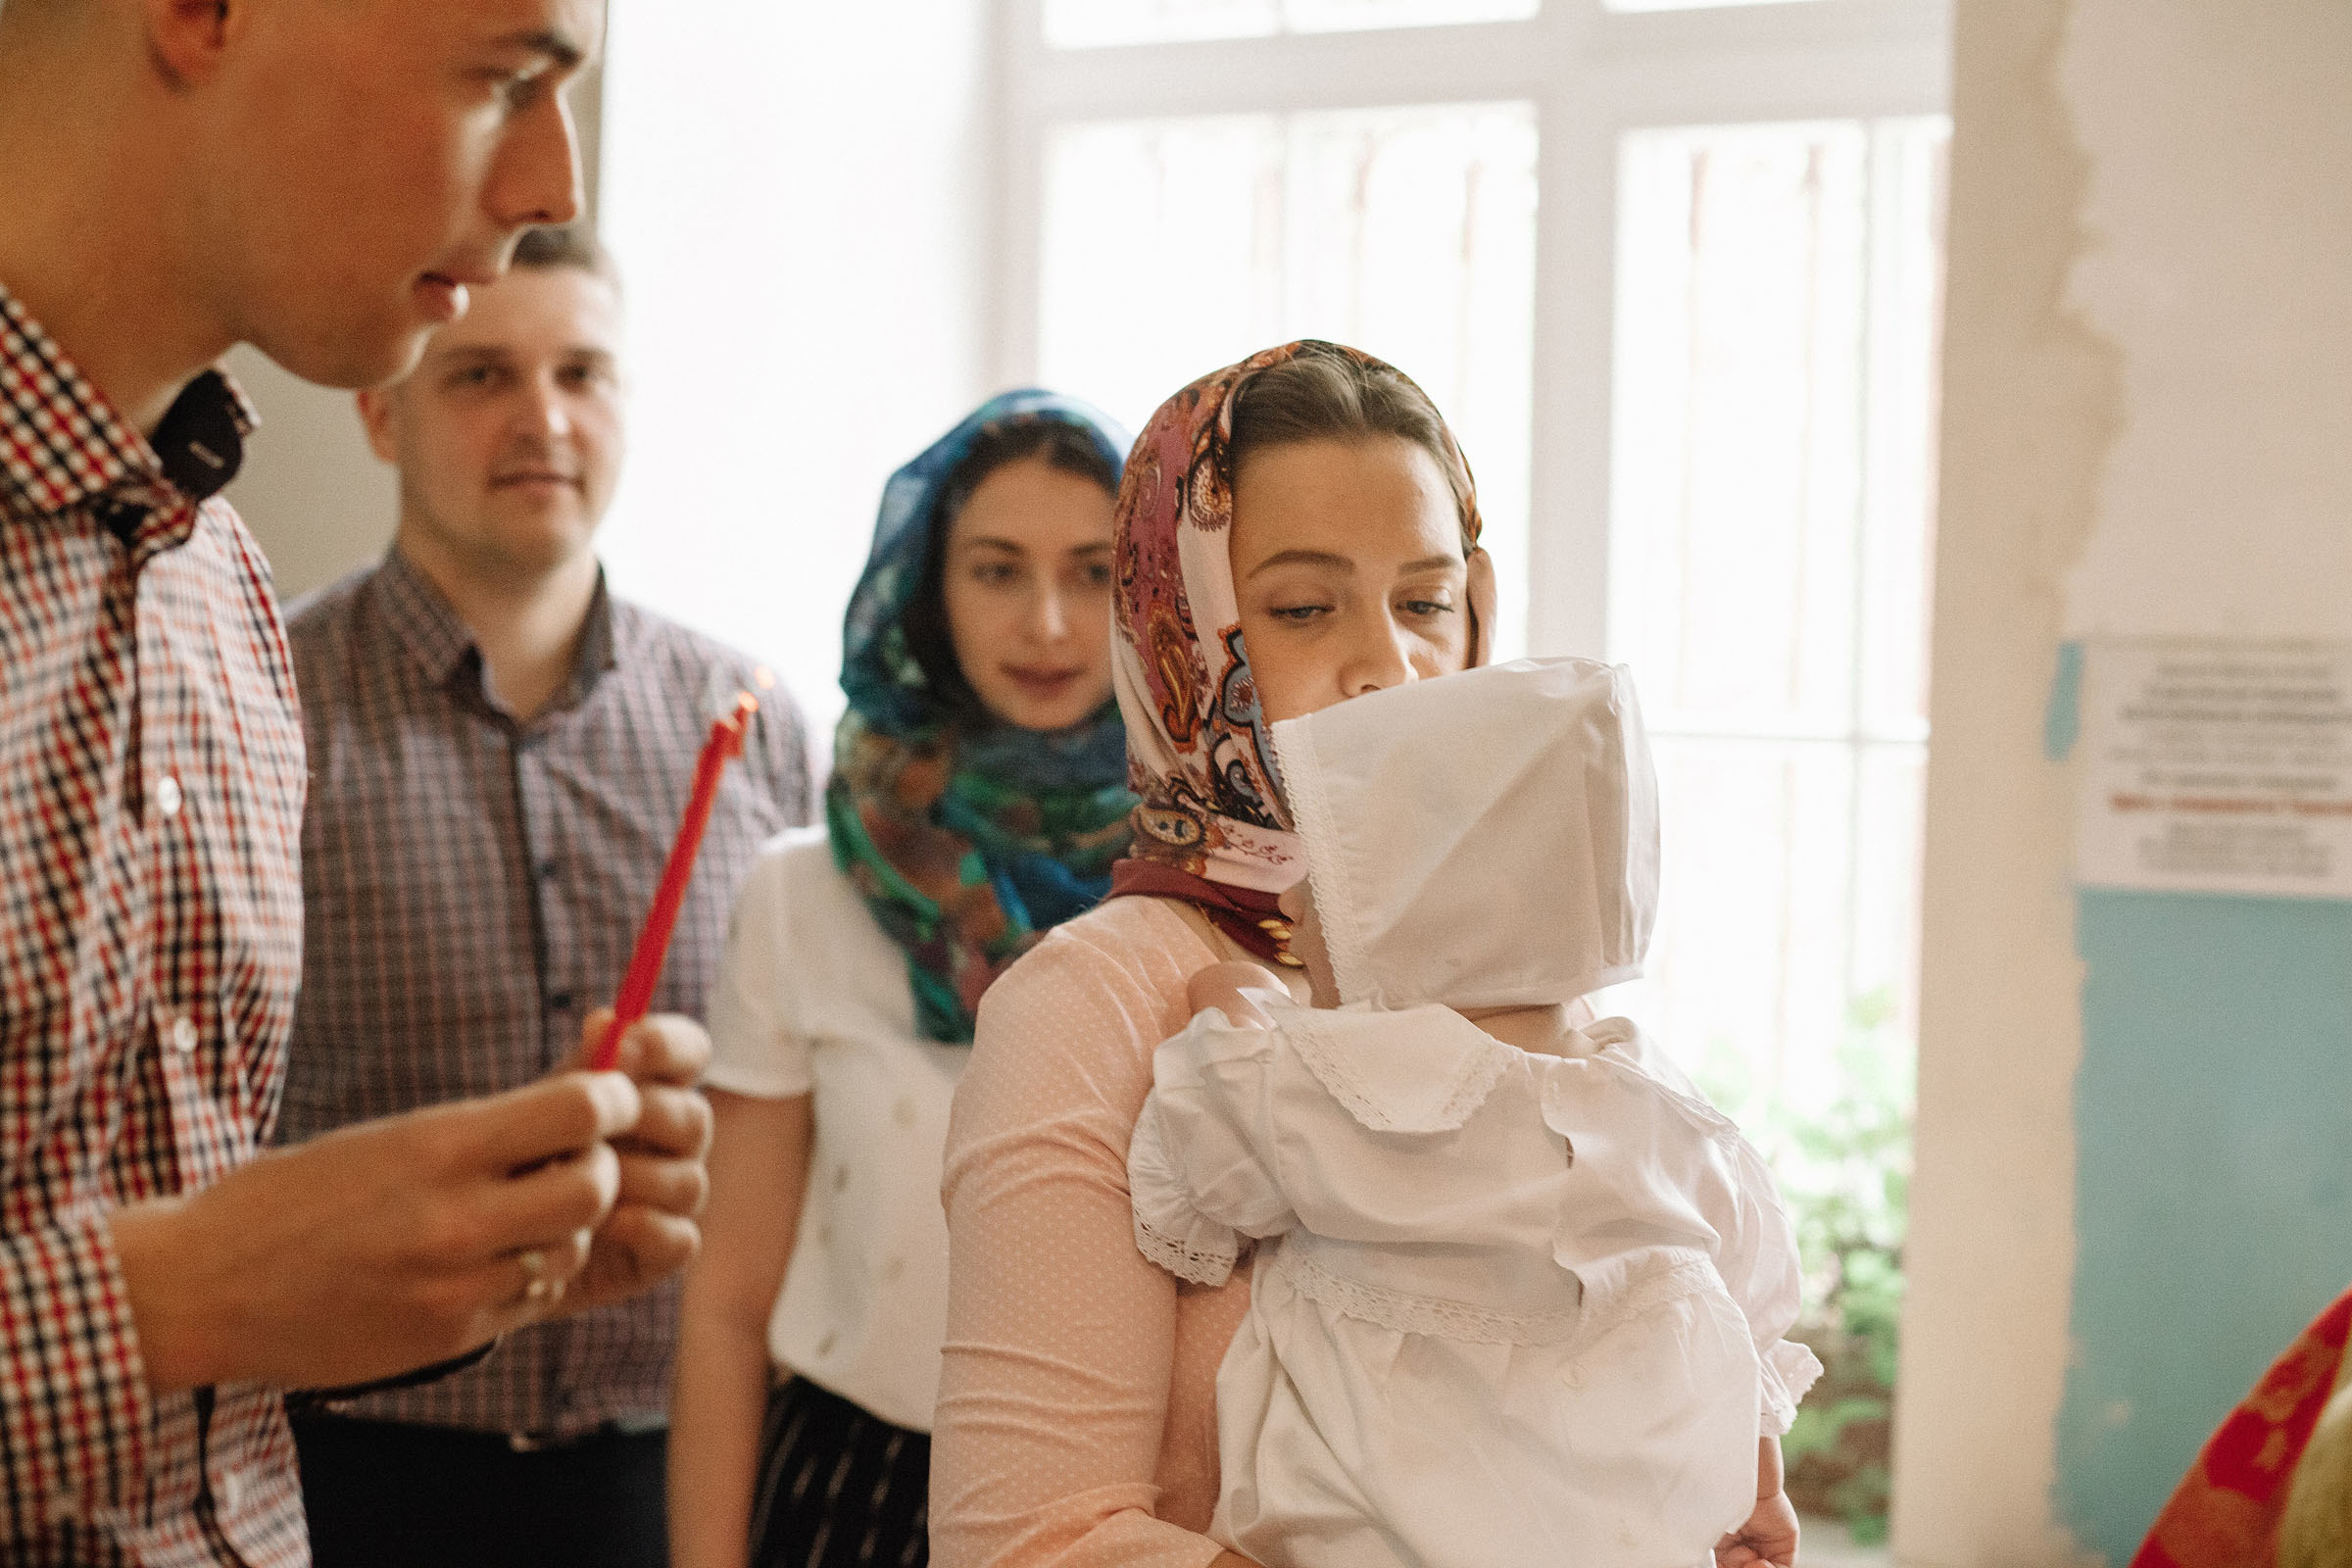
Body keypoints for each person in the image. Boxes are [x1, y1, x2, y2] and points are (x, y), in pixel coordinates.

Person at [0, 3, 711, 1562]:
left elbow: (212, 1347)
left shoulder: (217, 590)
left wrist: (449, 1263)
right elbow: (176, 1294)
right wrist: (159, 1302)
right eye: (507, 75)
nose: (551, 182)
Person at [928, 340, 1796, 1567]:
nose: (1389, 664)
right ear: (1184, 634)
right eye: (1299, 607)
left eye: (1427, 602)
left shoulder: (1535, 978)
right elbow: (1022, 1544)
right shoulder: (1099, 1004)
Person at [275, 224, 813, 1568]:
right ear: (380, 413)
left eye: (584, 372)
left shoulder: (751, 721)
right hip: (347, 1476)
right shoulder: (264, 700)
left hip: (677, 1478)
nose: (544, 419)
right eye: (480, 377)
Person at [1128, 656, 1821, 1568]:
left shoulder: (1347, 1084)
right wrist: (1759, 1487)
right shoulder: (1668, 1112)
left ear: (1420, 914)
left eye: (1324, 882)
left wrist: (1239, 993)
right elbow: (1744, 1317)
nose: (1289, 898)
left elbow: (1195, 1154)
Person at [670, 393, 1135, 1568]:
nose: (1046, 621)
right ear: (930, 592)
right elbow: (727, 1310)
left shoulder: (1198, 886)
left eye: (1093, 573)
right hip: (851, 1492)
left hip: (1122, 1501)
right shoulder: (804, 893)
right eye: (996, 570)